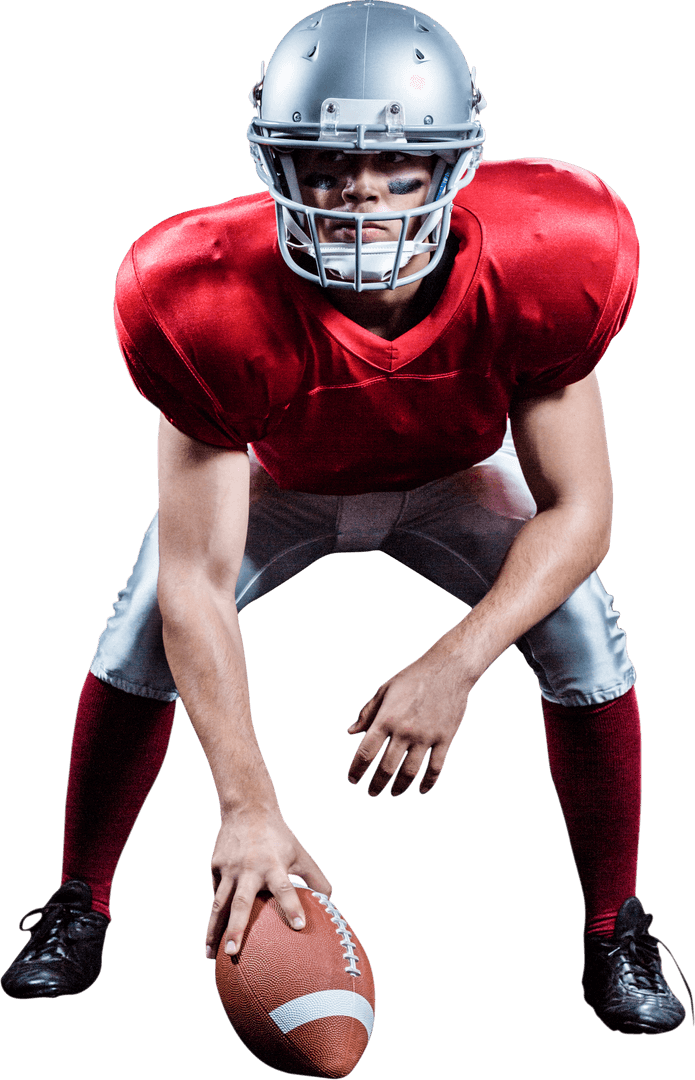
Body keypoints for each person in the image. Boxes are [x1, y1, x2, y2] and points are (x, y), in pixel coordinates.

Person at [2, 0, 692, 1038]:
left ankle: (613, 927)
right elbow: (196, 577)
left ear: (456, 165)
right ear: (273, 163)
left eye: (397, 167)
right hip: (277, 486)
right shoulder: (196, 294)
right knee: (146, 613)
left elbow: (582, 512)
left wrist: (451, 664)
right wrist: (245, 806)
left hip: (456, 475)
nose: (359, 194)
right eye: (322, 165)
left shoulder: (552, 254)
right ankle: (79, 901)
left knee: (580, 621)